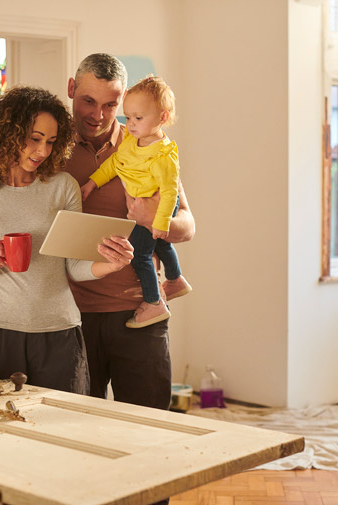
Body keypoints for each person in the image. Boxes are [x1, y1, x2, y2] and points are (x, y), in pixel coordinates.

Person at [0, 85, 134, 394]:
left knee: (64, 431)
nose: (43, 152)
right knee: (3, 429)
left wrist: (110, 266)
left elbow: (73, 267)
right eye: (34, 139)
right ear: (7, 133)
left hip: (61, 333)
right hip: (0, 332)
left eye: (51, 141)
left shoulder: (63, 186)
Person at [62, 53, 195, 411]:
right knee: (76, 430)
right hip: (70, 316)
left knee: (149, 431)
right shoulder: (48, 148)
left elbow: (187, 226)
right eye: (88, 101)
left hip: (139, 313)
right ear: (71, 89)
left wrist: (156, 217)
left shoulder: (148, 146)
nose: (98, 115)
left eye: (111, 105)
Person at [80, 75, 192, 329]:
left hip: (158, 208)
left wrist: (159, 221)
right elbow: (115, 164)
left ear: (162, 118)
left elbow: (170, 193)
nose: (129, 124)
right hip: (85, 307)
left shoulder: (164, 156)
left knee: (141, 254)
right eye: (127, 117)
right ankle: (176, 279)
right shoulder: (132, 141)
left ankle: (153, 303)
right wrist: (93, 182)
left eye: (137, 118)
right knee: (160, 245)